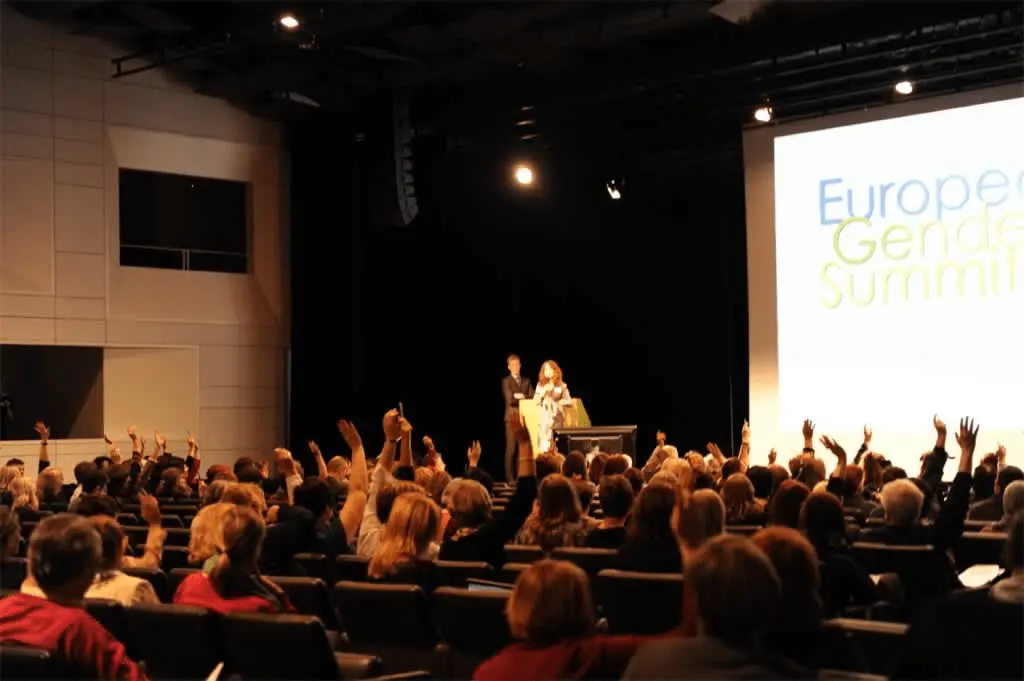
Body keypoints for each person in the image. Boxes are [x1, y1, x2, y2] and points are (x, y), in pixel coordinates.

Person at [503, 354, 534, 481]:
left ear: (520, 366)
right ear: (509, 367)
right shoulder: (506, 381)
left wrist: (520, 396)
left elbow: (532, 397)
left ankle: (520, 476)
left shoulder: (526, 381)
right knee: (511, 449)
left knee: (523, 449)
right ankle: (510, 478)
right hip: (511, 418)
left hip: (525, 417)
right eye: (513, 365)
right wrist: (521, 396)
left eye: (517, 365)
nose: (515, 367)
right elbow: (510, 399)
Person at [534, 360, 572, 455]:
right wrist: (544, 391)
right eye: (545, 369)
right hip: (545, 421)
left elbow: (569, 401)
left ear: (555, 370)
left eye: (550, 368)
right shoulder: (540, 385)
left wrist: (561, 402)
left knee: (557, 447)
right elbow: (536, 401)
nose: (548, 371)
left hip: (557, 419)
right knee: (545, 448)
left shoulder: (562, 385)